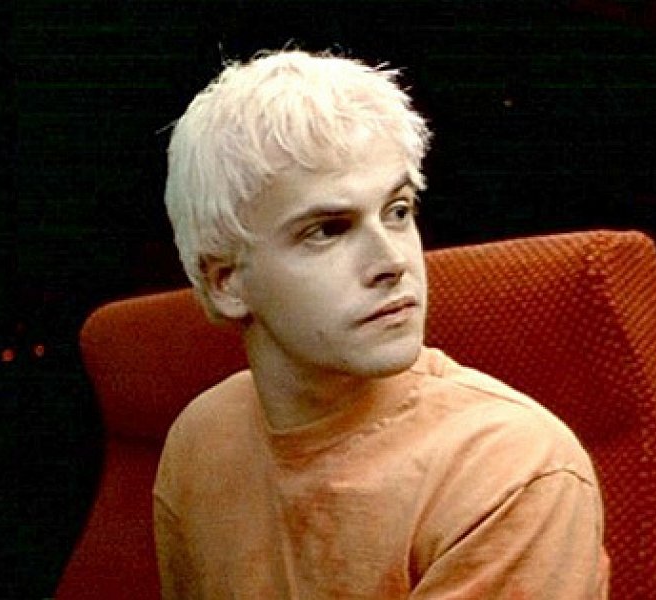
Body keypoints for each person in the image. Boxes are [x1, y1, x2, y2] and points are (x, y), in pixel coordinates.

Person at [154, 49, 610, 598]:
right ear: (227, 282)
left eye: (398, 211)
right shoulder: (202, 440)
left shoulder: (510, 468)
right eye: (328, 229)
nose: (393, 261)